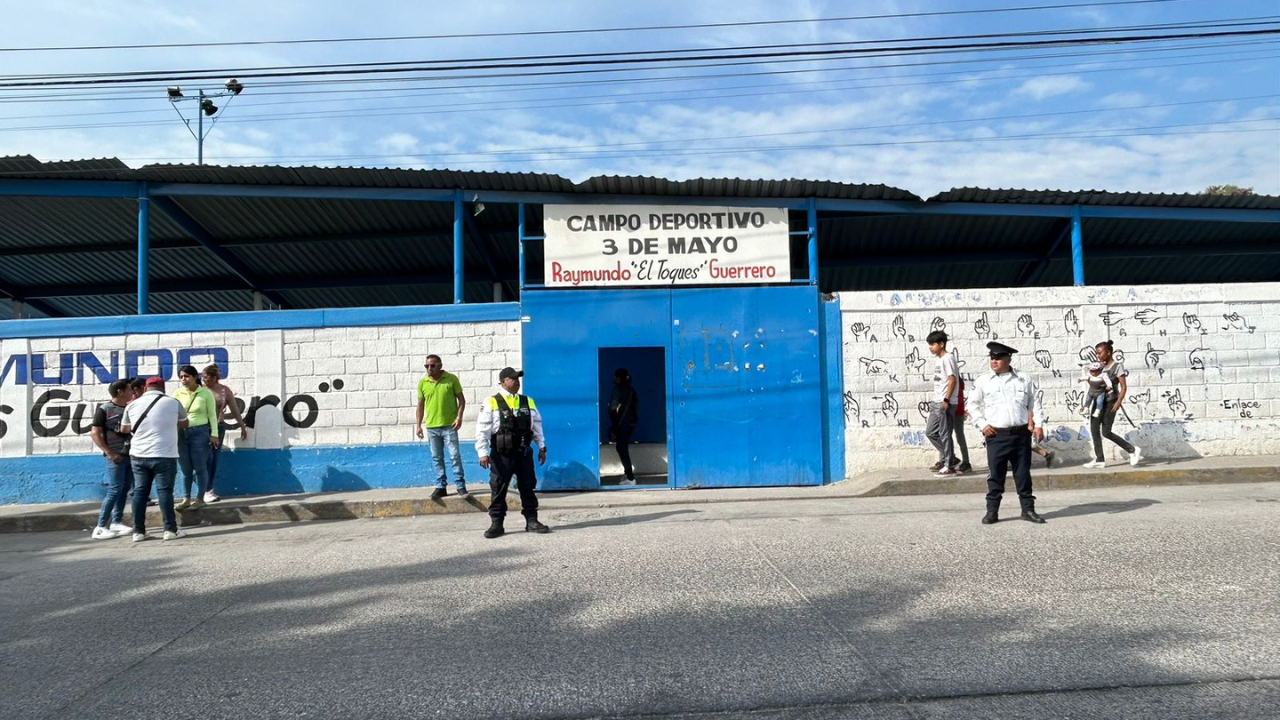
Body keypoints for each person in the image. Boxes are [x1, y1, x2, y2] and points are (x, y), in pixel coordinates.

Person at [966, 342, 1048, 525]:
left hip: (1021, 435)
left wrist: (1038, 425)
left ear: (1008, 359)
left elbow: (1034, 402)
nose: (994, 361)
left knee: (1023, 475)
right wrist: (982, 424)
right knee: (996, 475)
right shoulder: (983, 381)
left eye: (998, 358)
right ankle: (992, 511)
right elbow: (972, 405)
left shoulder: (1023, 379)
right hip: (997, 436)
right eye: (992, 358)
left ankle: (1028, 510)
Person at [475, 367, 549, 538]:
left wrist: (542, 447)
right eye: (512, 379)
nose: (516, 382)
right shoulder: (491, 402)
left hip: (523, 453)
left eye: (518, 379)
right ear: (503, 382)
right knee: (498, 488)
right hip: (502, 454)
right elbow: (482, 430)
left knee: (527, 487)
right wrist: (482, 452)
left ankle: (532, 520)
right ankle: (497, 523)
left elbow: (537, 426)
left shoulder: (527, 401)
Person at [120, 377, 188, 541]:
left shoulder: (132, 405)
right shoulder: (173, 402)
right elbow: (185, 423)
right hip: (165, 455)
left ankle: (138, 532)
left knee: (140, 492)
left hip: (139, 455)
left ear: (145, 388)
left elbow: (124, 428)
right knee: (164, 491)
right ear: (163, 388)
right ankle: (170, 530)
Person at [415, 354, 468, 499]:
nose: (429, 368)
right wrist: (418, 425)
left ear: (440, 366)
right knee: (437, 458)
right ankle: (441, 486)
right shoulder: (423, 383)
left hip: (449, 426)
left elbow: (461, 400)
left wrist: (459, 417)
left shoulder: (451, 379)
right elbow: (420, 405)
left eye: (432, 365)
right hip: (432, 427)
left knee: (454, 456)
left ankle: (460, 486)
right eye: (426, 366)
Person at [88, 379, 136, 539]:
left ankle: (117, 521)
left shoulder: (130, 408)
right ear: (120, 392)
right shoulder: (105, 409)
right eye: (129, 389)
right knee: (115, 489)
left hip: (130, 454)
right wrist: (109, 453)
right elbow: (95, 433)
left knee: (124, 488)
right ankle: (101, 526)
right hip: (115, 455)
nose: (132, 392)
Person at [1086, 341, 1141, 469]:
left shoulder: (1117, 367)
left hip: (1111, 402)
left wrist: (1118, 402)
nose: (1097, 355)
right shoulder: (1099, 366)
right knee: (1094, 429)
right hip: (1098, 401)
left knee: (1106, 432)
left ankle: (1132, 450)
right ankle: (1099, 459)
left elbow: (1123, 386)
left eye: (1099, 353)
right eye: (1096, 353)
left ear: (1108, 352)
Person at [173, 365, 219, 510]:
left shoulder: (205, 393)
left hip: (200, 433)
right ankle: (186, 498)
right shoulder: (177, 393)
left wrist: (214, 434)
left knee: (200, 467)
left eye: (186, 376)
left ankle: (200, 498)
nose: (183, 379)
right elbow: (172, 413)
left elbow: (212, 415)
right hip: (181, 433)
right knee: (185, 469)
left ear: (194, 377)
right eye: (181, 377)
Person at [202, 363, 248, 503]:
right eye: (203, 377)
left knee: (213, 459)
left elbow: (234, 409)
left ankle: (208, 489)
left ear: (215, 378)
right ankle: (202, 488)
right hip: (202, 427)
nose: (204, 380)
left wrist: (242, 426)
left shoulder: (224, 391)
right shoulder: (200, 390)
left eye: (207, 377)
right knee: (204, 459)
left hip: (218, 427)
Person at [924, 331, 961, 478]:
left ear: (941, 344)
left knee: (945, 434)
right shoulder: (939, 360)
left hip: (945, 402)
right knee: (930, 432)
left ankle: (949, 466)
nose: (930, 347)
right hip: (937, 402)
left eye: (932, 344)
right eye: (929, 344)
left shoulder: (948, 358)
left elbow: (952, 380)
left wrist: (946, 400)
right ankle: (950, 457)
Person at [607, 367, 639, 486]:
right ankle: (628, 473)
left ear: (618, 378)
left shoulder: (618, 390)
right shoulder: (631, 390)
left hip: (622, 423)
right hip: (631, 423)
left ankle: (630, 478)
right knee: (622, 447)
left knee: (621, 448)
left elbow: (613, 407)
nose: (614, 378)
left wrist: (613, 419)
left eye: (615, 376)